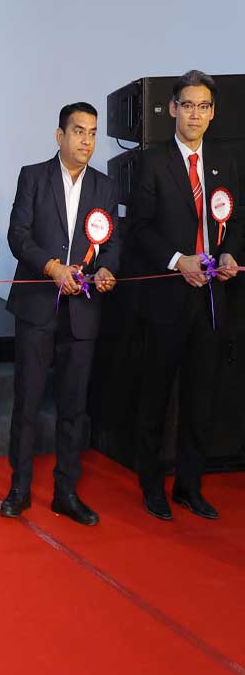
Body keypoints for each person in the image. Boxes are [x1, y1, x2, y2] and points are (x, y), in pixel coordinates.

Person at [127, 70, 241, 521]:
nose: (195, 114)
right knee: (157, 395)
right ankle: (152, 484)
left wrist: (230, 253)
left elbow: (237, 218)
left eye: (203, 106)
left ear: (213, 113)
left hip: (211, 298)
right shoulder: (153, 161)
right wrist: (178, 260)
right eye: (188, 105)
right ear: (173, 108)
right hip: (167, 297)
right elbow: (139, 228)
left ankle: (189, 486)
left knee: (201, 396)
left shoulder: (224, 160)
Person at [2, 103, 120, 525]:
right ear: (60, 135)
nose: (86, 141)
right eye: (78, 131)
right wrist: (52, 268)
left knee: (74, 406)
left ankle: (66, 492)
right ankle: (19, 488)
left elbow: (113, 243)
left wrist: (107, 268)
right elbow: (18, 236)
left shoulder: (105, 187)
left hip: (82, 311)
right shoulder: (33, 177)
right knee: (28, 401)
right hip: (37, 306)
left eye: (92, 133)